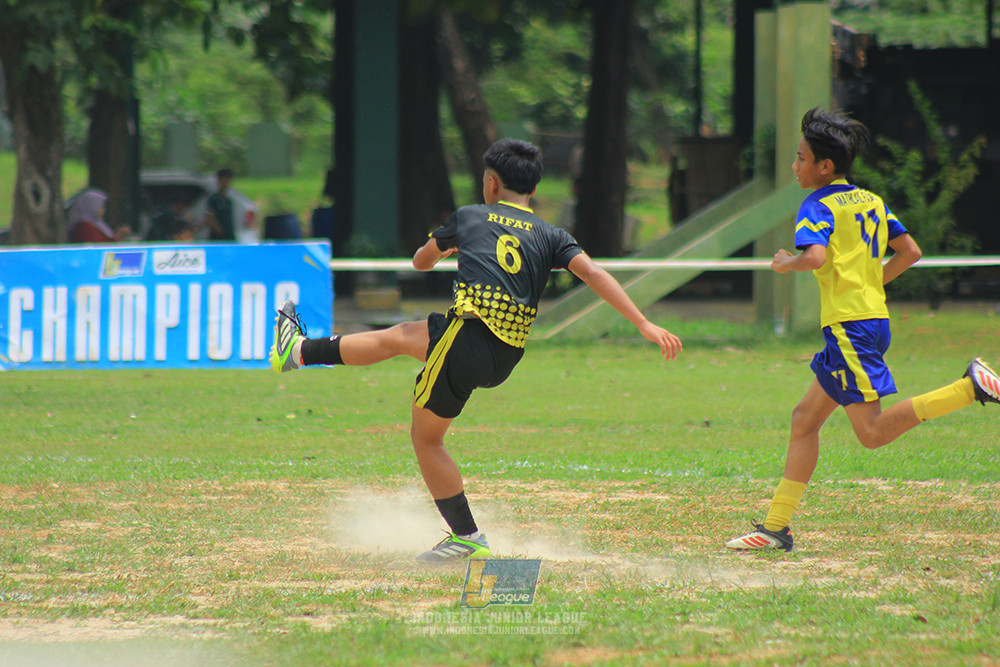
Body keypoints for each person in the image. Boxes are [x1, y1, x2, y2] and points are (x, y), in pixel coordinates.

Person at [270, 139, 683, 562]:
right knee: (402, 336)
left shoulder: (469, 217)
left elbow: (420, 263)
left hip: (465, 339)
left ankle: (466, 536)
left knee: (426, 439)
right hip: (502, 353)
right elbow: (593, 273)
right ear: (533, 191)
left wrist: (445, 244)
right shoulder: (552, 234)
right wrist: (643, 323)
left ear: (490, 184)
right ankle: (299, 351)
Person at [726, 107, 1000, 553]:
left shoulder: (816, 205)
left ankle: (968, 388)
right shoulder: (870, 200)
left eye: (800, 158)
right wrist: (871, 283)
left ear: (824, 166)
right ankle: (776, 527)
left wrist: (784, 263)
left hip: (849, 329)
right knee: (804, 420)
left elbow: (814, 257)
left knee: (870, 434)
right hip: (870, 321)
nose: (795, 166)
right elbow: (909, 252)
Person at [203, 168, 236, 241]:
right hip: (218, 238)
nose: (226, 183)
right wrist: (218, 230)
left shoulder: (228, 201)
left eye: (228, 180)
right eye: (224, 180)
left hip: (229, 237)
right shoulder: (214, 199)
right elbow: (209, 216)